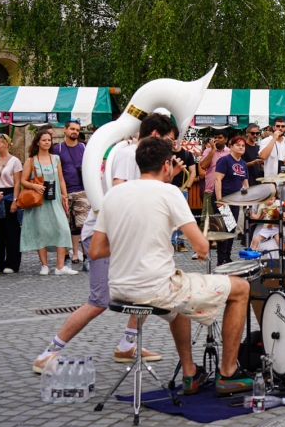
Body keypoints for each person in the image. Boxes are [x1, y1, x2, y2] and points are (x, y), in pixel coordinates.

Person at [89, 137, 254, 396]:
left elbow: (95, 249)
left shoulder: (113, 194)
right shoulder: (169, 192)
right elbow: (201, 246)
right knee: (241, 288)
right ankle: (229, 372)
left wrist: (131, 242)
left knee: (180, 300)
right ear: (167, 166)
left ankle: (190, 372)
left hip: (120, 289)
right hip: (156, 289)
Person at [31, 113, 178, 375]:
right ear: (155, 135)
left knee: (149, 288)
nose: (172, 146)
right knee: (99, 301)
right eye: (169, 140)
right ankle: (48, 353)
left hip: (124, 236)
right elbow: (120, 192)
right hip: (105, 235)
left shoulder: (141, 156)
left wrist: (168, 178)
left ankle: (126, 345)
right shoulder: (127, 154)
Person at [20, 130, 76, 276]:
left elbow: (61, 179)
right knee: (41, 231)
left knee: (63, 229)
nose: (47, 142)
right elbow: (23, 180)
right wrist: (35, 186)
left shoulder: (56, 158)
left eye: (49, 140)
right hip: (39, 201)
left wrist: (65, 196)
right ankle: (44, 265)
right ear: (38, 142)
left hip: (55, 199)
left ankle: (60, 266)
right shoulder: (31, 160)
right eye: (44, 140)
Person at [52, 120, 89, 264]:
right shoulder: (58, 149)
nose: (75, 132)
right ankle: (67, 256)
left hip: (81, 191)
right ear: (65, 130)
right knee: (65, 225)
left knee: (83, 225)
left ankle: (85, 256)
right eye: (72, 129)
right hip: (64, 192)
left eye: (77, 130)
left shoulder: (83, 147)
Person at [213, 136, 249, 266]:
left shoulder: (243, 164)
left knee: (232, 229)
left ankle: (227, 257)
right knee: (224, 230)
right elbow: (217, 180)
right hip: (223, 198)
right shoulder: (225, 160)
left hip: (235, 200)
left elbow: (245, 183)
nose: (241, 147)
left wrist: (249, 198)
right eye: (238, 145)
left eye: (243, 145)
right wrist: (219, 199)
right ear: (231, 146)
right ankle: (221, 259)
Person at [0, 133, 22, 274]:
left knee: (12, 232)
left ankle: (12, 262)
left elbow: (17, 183)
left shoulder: (14, 161)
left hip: (9, 196)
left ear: (6, 144)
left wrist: (15, 201)